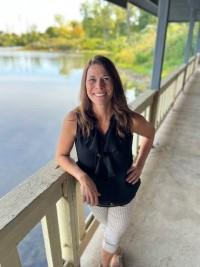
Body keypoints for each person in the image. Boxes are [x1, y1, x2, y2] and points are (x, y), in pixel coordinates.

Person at [56, 55, 155, 267]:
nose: (99, 85)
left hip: (123, 191)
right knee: (109, 227)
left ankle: (105, 262)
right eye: (92, 79)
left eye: (106, 78)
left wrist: (140, 164)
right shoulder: (74, 119)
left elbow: (150, 132)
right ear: (85, 84)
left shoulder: (128, 119)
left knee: (112, 234)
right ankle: (116, 253)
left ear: (114, 83)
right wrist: (82, 177)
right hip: (95, 194)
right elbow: (61, 156)